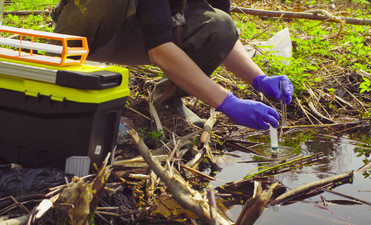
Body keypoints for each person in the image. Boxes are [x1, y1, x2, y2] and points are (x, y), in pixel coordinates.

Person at [51, 0, 294, 130]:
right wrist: (226, 102)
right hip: (87, 32)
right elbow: (159, 50)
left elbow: (222, 33)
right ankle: (62, 81)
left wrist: (259, 79)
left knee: (219, 24)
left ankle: (168, 100)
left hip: (139, 34)